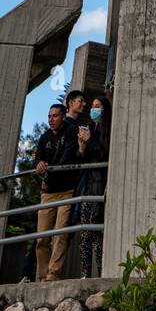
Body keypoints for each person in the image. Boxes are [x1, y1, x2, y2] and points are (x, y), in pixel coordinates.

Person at [33, 91, 85, 281]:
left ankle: (53, 273)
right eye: (49, 116)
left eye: (54, 116)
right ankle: (42, 275)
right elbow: (37, 156)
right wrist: (38, 163)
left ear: (63, 117)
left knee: (61, 235)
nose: (51, 119)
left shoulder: (71, 132)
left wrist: (49, 170)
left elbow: (68, 157)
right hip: (47, 192)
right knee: (42, 238)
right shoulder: (45, 137)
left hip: (65, 192)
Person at [77, 95, 111, 279]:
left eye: (97, 106)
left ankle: (99, 272)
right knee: (85, 232)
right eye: (92, 106)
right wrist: (82, 148)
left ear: (104, 109)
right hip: (88, 184)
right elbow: (86, 156)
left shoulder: (107, 129)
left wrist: (89, 141)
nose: (93, 109)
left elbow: (103, 153)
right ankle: (85, 272)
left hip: (101, 184)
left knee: (97, 232)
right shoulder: (90, 128)